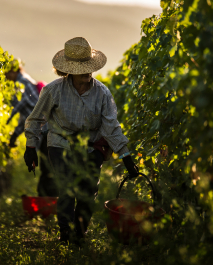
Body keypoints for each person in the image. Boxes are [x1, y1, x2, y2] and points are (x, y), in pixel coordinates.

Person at [24, 37, 138, 244]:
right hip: (60, 143)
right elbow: (36, 119)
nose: (87, 71)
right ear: (70, 71)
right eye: (81, 68)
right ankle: (65, 233)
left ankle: (80, 232)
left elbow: (111, 127)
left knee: (88, 190)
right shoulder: (53, 90)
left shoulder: (102, 93)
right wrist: (30, 146)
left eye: (89, 67)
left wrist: (126, 156)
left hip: (91, 146)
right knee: (67, 186)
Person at [5, 62, 58, 197]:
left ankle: (49, 201)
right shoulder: (26, 81)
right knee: (48, 166)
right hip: (47, 131)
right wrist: (14, 135)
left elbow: (15, 108)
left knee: (49, 168)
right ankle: (46, 199)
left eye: (6, 74)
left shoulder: (21, 83)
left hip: (47, 132)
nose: (5, 77)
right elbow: (26, 116)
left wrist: (5, 122)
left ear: (13, 71)